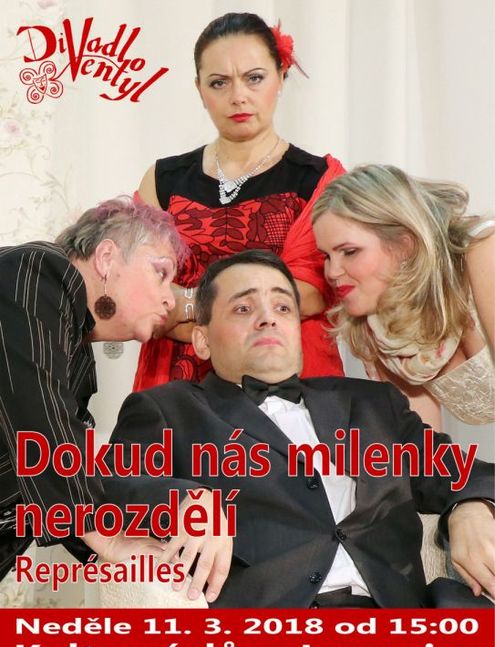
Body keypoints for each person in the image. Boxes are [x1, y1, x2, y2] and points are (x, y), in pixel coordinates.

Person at [109, 250, 495, 608]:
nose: (268, 318)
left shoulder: (374, 404)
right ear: (202, 340)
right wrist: (186, 499)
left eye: (282, 307)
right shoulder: (169, 410)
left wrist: (470, 508)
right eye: (243, 308)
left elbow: (468, 474)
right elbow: (107, 486)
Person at [133, 11, 345, 391]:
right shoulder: (163, 180)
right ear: (199, 89)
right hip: (178, 383)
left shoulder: (317, 179)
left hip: (287, 378)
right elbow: (143, 294)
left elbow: (309, 293)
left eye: (254, 78)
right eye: (219, 83)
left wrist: (189, 305)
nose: (238, 97)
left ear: (280, 76)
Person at [0, 196, 189, 580]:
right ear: (106, 258)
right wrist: (107, 539)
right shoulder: (34, 272)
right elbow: (38, 416)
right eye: (161, 273)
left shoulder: (76, 358)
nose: (170, 299)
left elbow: (57, 466)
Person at [311, 164, 495, 429]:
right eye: (326, 256)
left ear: (405, 245)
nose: (332, 271)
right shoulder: (373, 323)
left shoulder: (485, 253)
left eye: (349, 252)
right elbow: (421, 439)